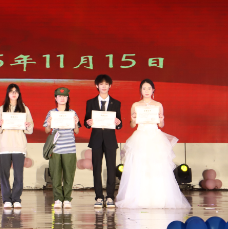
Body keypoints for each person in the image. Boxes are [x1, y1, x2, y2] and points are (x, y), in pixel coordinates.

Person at [115, 79, 191, 209]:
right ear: (140, 90)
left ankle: (158, 199)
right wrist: (133, 119)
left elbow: (161, 124)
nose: (146, 91)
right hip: (140, 137)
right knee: (139, 167)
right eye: (144, 88)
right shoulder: (135, 105)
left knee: (156, 168)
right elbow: (132, 125)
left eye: (149, 88)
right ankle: (139, 199)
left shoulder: (158, 105)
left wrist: (161, 120)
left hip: (155, 137)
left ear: (153, 90)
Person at [83, 74, 122, 208]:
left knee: (111, 169)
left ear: (110, 86)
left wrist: (118, 123)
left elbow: (119, 123)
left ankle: (110, 196)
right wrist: (88, 123)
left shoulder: (116, 103)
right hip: (96, 139)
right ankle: (99, 197)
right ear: (97, 86)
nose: (104, 86)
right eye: (101, 84)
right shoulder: (90, 102)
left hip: (110, 139)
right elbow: (86, 121)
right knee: (97, 169)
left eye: (106, 84)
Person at [0, 83, 34, 209]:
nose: (13, 93)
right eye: (11, 91)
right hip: (5, 146)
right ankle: (6, 199)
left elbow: (30, 130)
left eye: (16, 91)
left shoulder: (24, 108)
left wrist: (28, 126)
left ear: (19, 94)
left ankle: (16, 199)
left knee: (18, 174)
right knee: (4, 174)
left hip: (19, 145)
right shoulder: (2, 108)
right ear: (8, 93)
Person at [43, 87, 80, 209]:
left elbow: (76, 131)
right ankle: (58, 199)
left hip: (69, 148)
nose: (62, 98)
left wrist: (76, 123)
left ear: (67, 98)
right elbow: (47, 130)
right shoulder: (51, 113)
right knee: (56, 175)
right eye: (59, 96)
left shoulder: (72, 113)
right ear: (56, 98)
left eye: (64, 96)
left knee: (69, 175)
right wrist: (49, 124)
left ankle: (67, 199)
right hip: (56, 148)